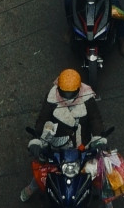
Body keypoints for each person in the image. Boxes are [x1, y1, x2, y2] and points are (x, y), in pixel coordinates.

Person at [20, 71, 106, 200]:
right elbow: (42, 119)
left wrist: (98, 138)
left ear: (78, 89)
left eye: (71, 93)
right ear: (59, 87)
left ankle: (106, 195)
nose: (67, 96)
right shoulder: (52, 97)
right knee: (44, 170)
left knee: (97, 172)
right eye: (64, 92)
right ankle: (32, 187)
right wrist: (36, 141)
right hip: (58, 144)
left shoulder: (87, 96)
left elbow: (95, 119)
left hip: (82, 143)